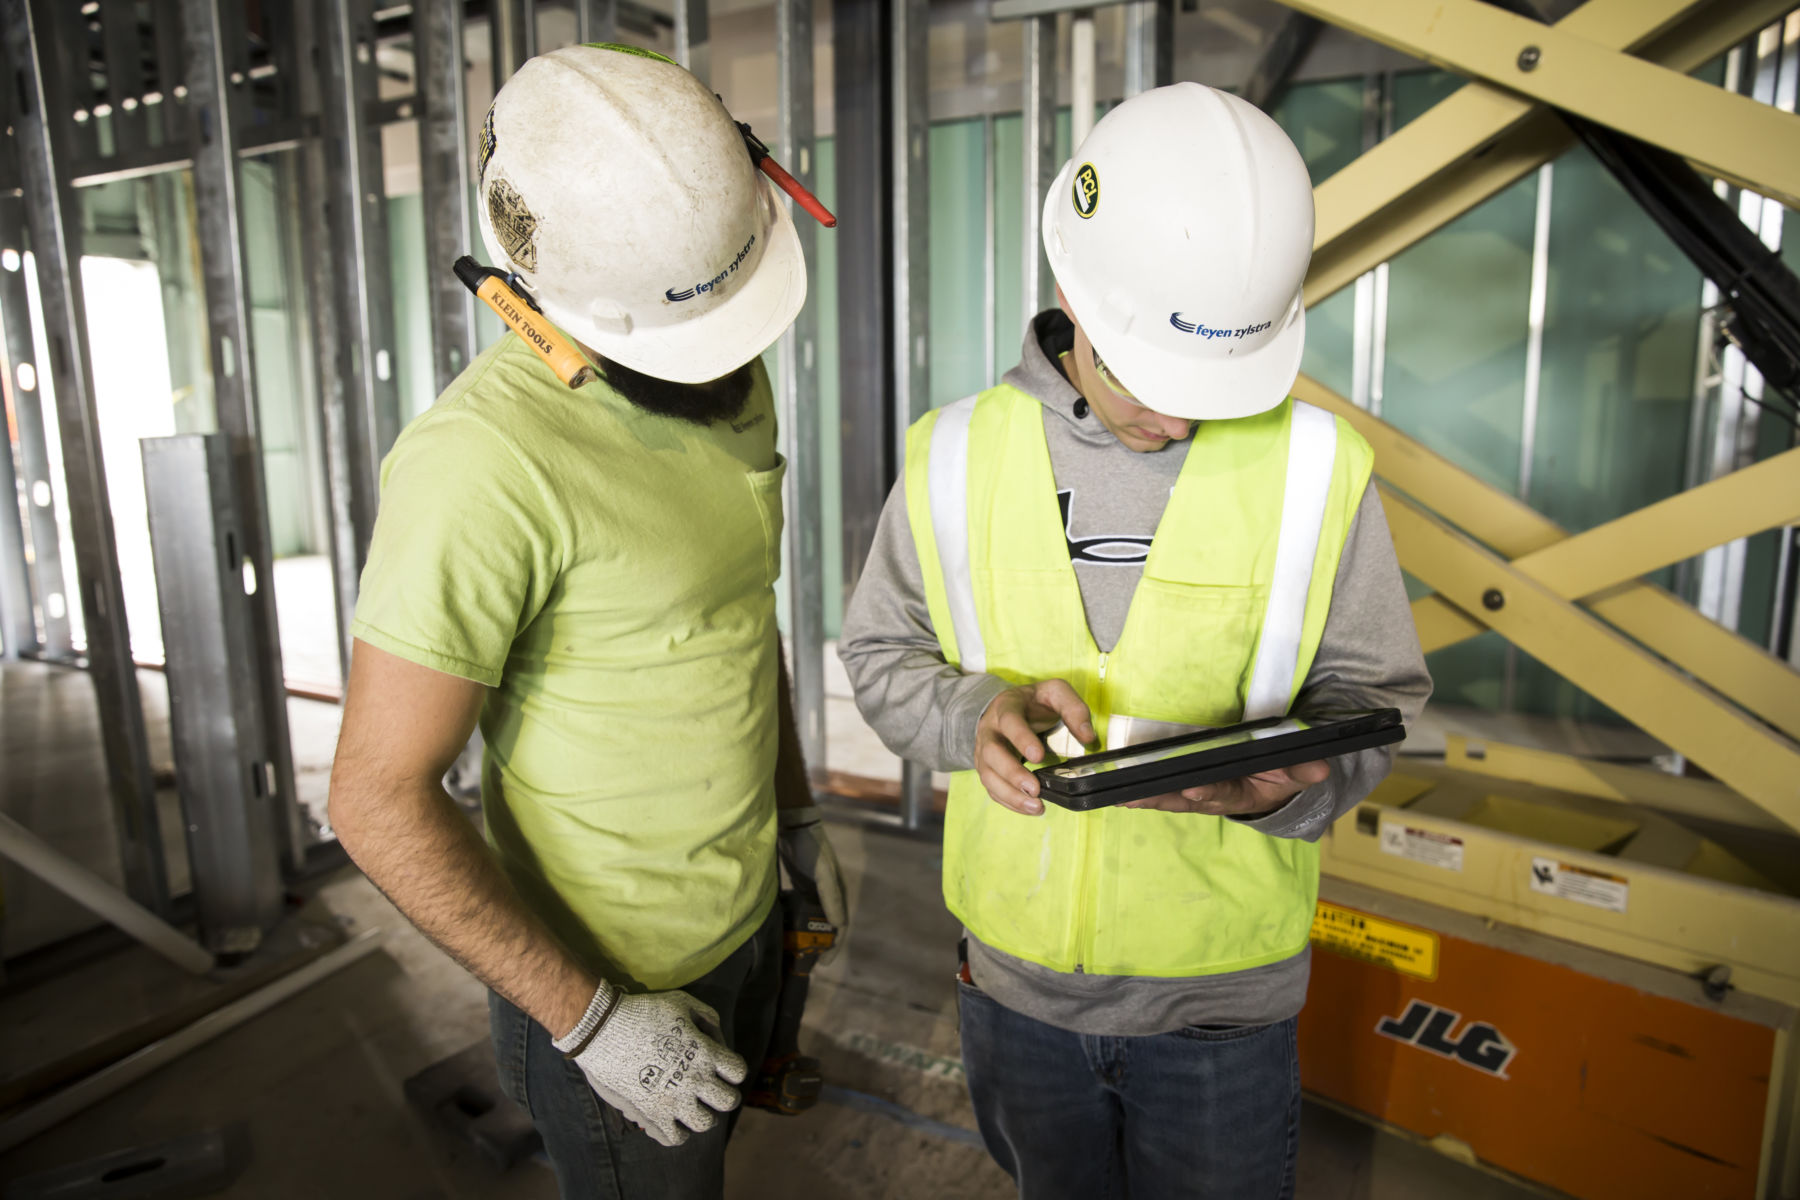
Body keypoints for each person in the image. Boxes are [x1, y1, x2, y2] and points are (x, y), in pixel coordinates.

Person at [839, 82, 1431, 1199]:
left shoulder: (1316, 467)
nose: (1174, 421)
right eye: (1146, 382)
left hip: (1222, 1010)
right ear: (1076, 296)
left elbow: (1375, 695)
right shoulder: (952, 453)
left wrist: (1281, 792)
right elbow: (880, 657)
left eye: (1207, 391)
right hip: (1014, 995)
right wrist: (972, 716)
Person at [328, 44, 847, 1199]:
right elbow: (373, 796)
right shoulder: (481, 465)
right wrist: (594, 1023)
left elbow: (734, 614)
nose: (725, 366)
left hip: (747, 913)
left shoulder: (723, 365)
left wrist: (795, 817)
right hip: (608, 993)